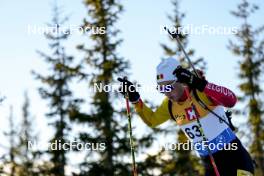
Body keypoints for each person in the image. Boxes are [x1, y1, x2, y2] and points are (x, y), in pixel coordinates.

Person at [118, 57, 254, 176]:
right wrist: (136, 100)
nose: (166, 93)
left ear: (181, 81)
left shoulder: (199, 93)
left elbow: (231, 100)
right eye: (161, 89)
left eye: (168, 87)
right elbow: (152, 121)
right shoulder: (169, 105)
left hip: (236, 160)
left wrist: (200, 84)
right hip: (211, 167)